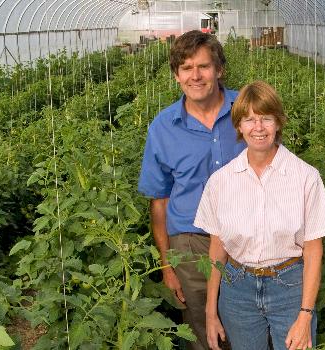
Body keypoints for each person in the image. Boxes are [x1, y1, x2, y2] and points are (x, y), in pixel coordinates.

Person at [194, 81, 325, 350]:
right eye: (249, 120)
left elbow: (314, 250)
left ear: (278, 123)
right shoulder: (221, 182)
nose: (258, 128)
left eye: (266, 119)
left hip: (290, 288)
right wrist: (210, 311)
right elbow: (217, 249)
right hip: (237, 289)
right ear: (238, 126)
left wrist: (305, 316)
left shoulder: (305, 177)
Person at [138, 30, 244, 350]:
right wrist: (167, 266)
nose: (195, 76)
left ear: (219, 69)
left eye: (203, 66)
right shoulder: (163, 127)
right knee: (203, 331)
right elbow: (160, 201)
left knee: (247, 323)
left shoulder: (247, 110)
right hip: (190, 242)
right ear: (176, 75)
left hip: (247, 238)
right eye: (186, 68)